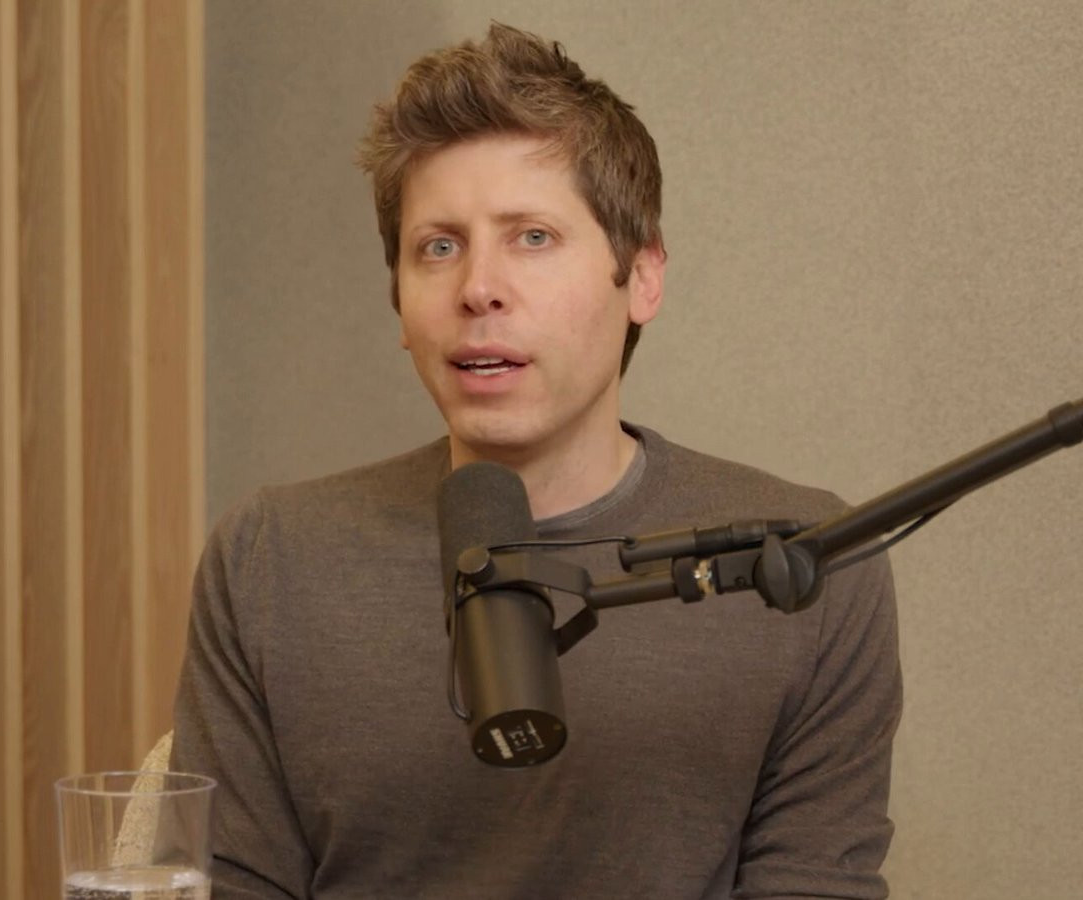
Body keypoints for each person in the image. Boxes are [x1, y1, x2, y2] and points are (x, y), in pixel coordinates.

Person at [172, 22, 901, 899]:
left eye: (532, 238)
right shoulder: (271, 559)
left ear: (642, 277)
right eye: (439, 247)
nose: (478, 288)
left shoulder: (806, 567)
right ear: (399, 302)